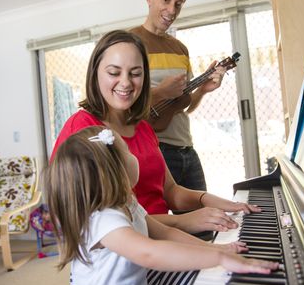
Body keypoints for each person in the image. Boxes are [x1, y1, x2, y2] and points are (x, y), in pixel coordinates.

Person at [51, 30, 260, 236]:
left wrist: (211, 200)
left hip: (164, 238)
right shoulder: (82, 129)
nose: (125, 82)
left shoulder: (142, 126)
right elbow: (98, 218)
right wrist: (181, 221)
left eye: (135, 73)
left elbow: (170, 191)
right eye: (114, 72)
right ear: (95, 74)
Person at [45, 126, 279, 285]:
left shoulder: (128, 202)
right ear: (114, 170)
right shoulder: (103, 220)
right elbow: (149, 253)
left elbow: (164, 233)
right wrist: (219, 259)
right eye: (128, 152)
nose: (134, 156)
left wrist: (215, 248)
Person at [130, 0, 226, 191]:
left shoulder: (180, 49)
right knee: (159, 222)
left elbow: (184, 106)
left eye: (178, 4)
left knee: (204, 223)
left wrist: (202, 91)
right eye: (166, 0)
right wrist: (161, 91)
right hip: (153, 150)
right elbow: (121, 101)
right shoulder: (129, 42)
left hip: (187, 150)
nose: (172, 10)